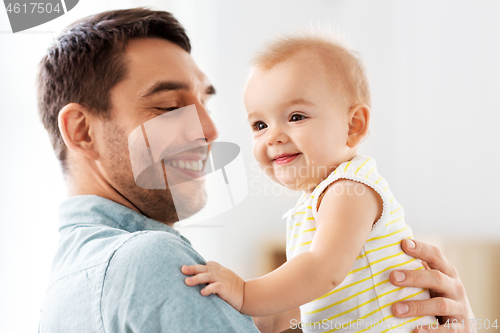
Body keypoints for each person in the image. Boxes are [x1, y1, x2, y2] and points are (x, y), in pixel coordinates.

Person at [36, 8, 475, 333]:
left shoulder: (64, 287)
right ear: (82, 131)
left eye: (204, 103)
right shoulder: (147, 262)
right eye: (169, 107)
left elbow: (325, 273)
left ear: (354, 124)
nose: (209, 130)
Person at [182, 32, 476, 333]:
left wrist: (244, 292)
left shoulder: (349, 188)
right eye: (260, 124)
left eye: (296, 116)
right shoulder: (318, 200)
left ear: (353, 126)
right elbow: (304, 303)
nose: (273, 136)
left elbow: (324, 269)